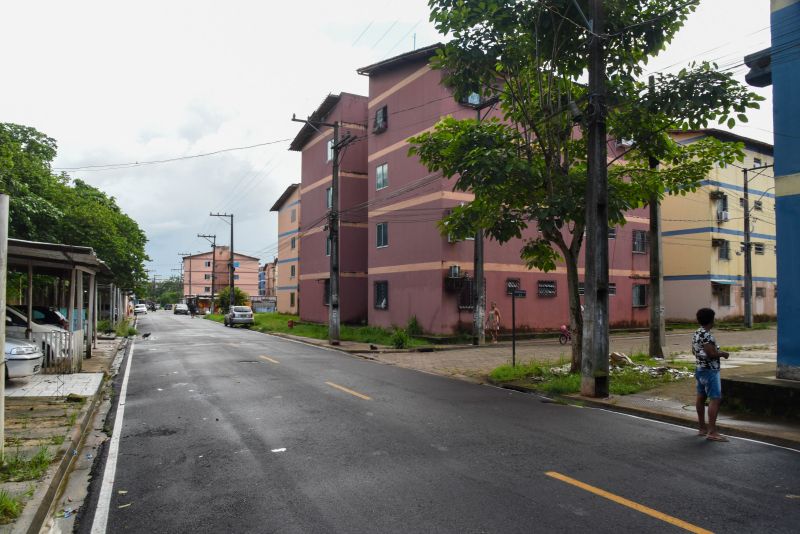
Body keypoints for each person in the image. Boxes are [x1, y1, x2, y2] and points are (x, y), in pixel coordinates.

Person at [692, 307, 730, 442]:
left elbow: (694, 352)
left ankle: (702, 428)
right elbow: (711, 353)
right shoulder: (707, 335)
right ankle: (712, 432)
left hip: (699, 369)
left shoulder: (697, 333)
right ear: (711, 320)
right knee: (715, 398)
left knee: (701, 397)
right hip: (710, 371)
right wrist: (723, 354)